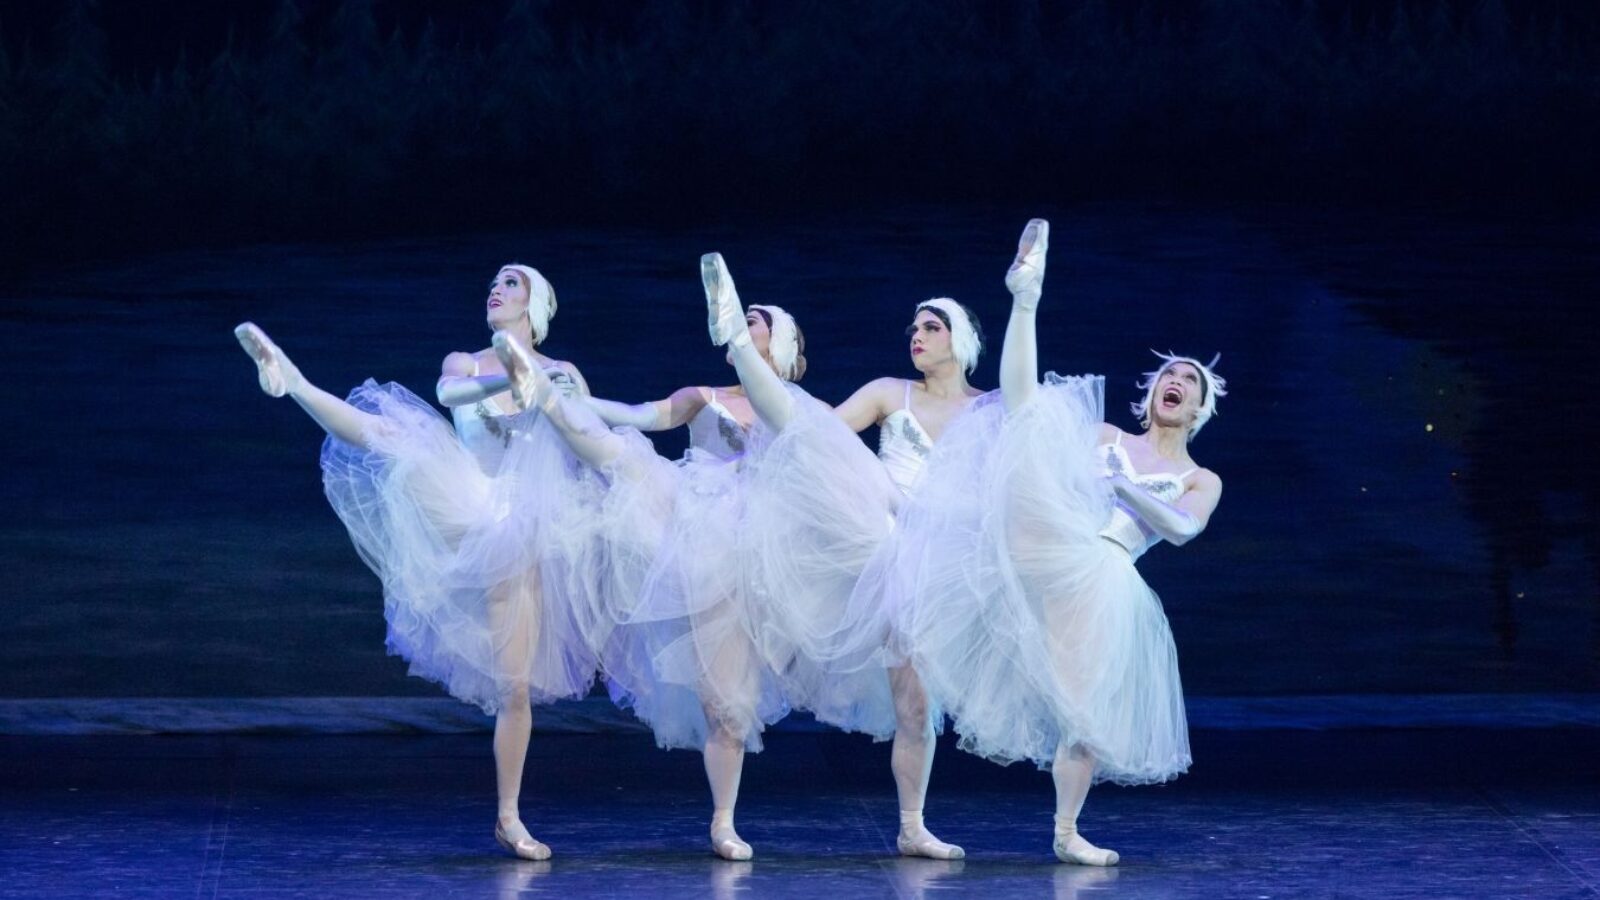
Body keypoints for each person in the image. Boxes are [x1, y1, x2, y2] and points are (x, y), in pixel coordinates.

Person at [233, 264, 596, 862]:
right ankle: (292, 381)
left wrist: (547, 391)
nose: (496, 289)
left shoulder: (562, 373)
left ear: (536, 306)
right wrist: (505, 373)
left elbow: (586, 431)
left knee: (516, 689)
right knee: (399, 434)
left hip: (526, 527)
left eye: (511, 283)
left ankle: (508, 817)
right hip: (464, 499)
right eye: (494, 283)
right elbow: (450, 395)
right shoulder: (464, 363)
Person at [890, 220, 1225, 865]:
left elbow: (1182, 529)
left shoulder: (1198, 477)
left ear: (1198, 410)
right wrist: (1099, 473)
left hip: (1105, 571)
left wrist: (1125, 491)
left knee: (1085, 707)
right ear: (1152, 394)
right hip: (1052, 539)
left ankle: (1068, 832)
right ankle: (1026, 296)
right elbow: (1033, 434)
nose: (1173, 382)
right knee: (1029, 419)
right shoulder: (1105, 437)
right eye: (1167, 376)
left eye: (1188, 381)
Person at [828, 296, 991, 860]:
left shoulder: (990, 409)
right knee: (913, 706)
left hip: (959, 564)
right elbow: (821, 438)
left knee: (931, 706)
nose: (916, 335)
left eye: (931, 327)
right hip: (894, 557)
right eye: (913, 328)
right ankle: (911, 825)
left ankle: (1065, 825)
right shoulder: (887, 392)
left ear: (960, 339)